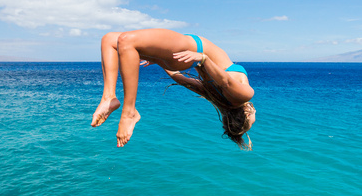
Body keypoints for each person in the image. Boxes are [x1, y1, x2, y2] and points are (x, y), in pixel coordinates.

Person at [91, 29, 256, 149]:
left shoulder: (244, 95)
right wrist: (161, 58)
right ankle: (109, 97)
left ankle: (129, 112)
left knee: (126, 40)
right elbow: (179, 78)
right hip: (180, 56)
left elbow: (226, 80)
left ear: (247, 113)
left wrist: (204, 59)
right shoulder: (216, 96)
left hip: (193, 48)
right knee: (110, 40)